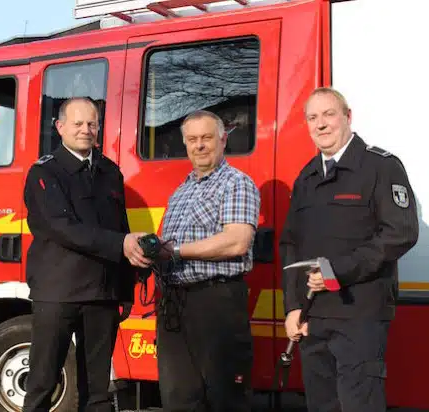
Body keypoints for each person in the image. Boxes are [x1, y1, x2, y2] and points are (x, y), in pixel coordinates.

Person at [280, 87, 419, 412]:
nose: (321, 124)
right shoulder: (307, 177)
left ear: (347, 117)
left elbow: (401, 233)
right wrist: (292, 306)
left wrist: (337, 270)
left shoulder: (380, 167)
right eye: (312, 118)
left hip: (359, 314)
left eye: (329, 114)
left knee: (360, 405)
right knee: (321, 405)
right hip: (313, 318)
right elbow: (291, 245)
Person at [22, 97, 152, 412]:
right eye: (78, 123)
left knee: (97, 391)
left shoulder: (110, 171)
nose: (86, 130)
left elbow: (120, 225)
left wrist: (124, 290)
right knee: (42, 381)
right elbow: (61, 226)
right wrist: (121, 245)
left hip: (102, 294)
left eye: (92, 124)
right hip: (58, 292)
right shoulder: (45, 172)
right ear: (60, 127)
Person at [156, 110, 261, 412]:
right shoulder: (181, 191)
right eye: (192, 139)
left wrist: (175, 252)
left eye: (206, 138)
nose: (199, 145)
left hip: (216, 302)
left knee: (225, 396)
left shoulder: (236, 183)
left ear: (222, 139)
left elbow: (237, 241)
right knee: (179, 397)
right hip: (174, 302)